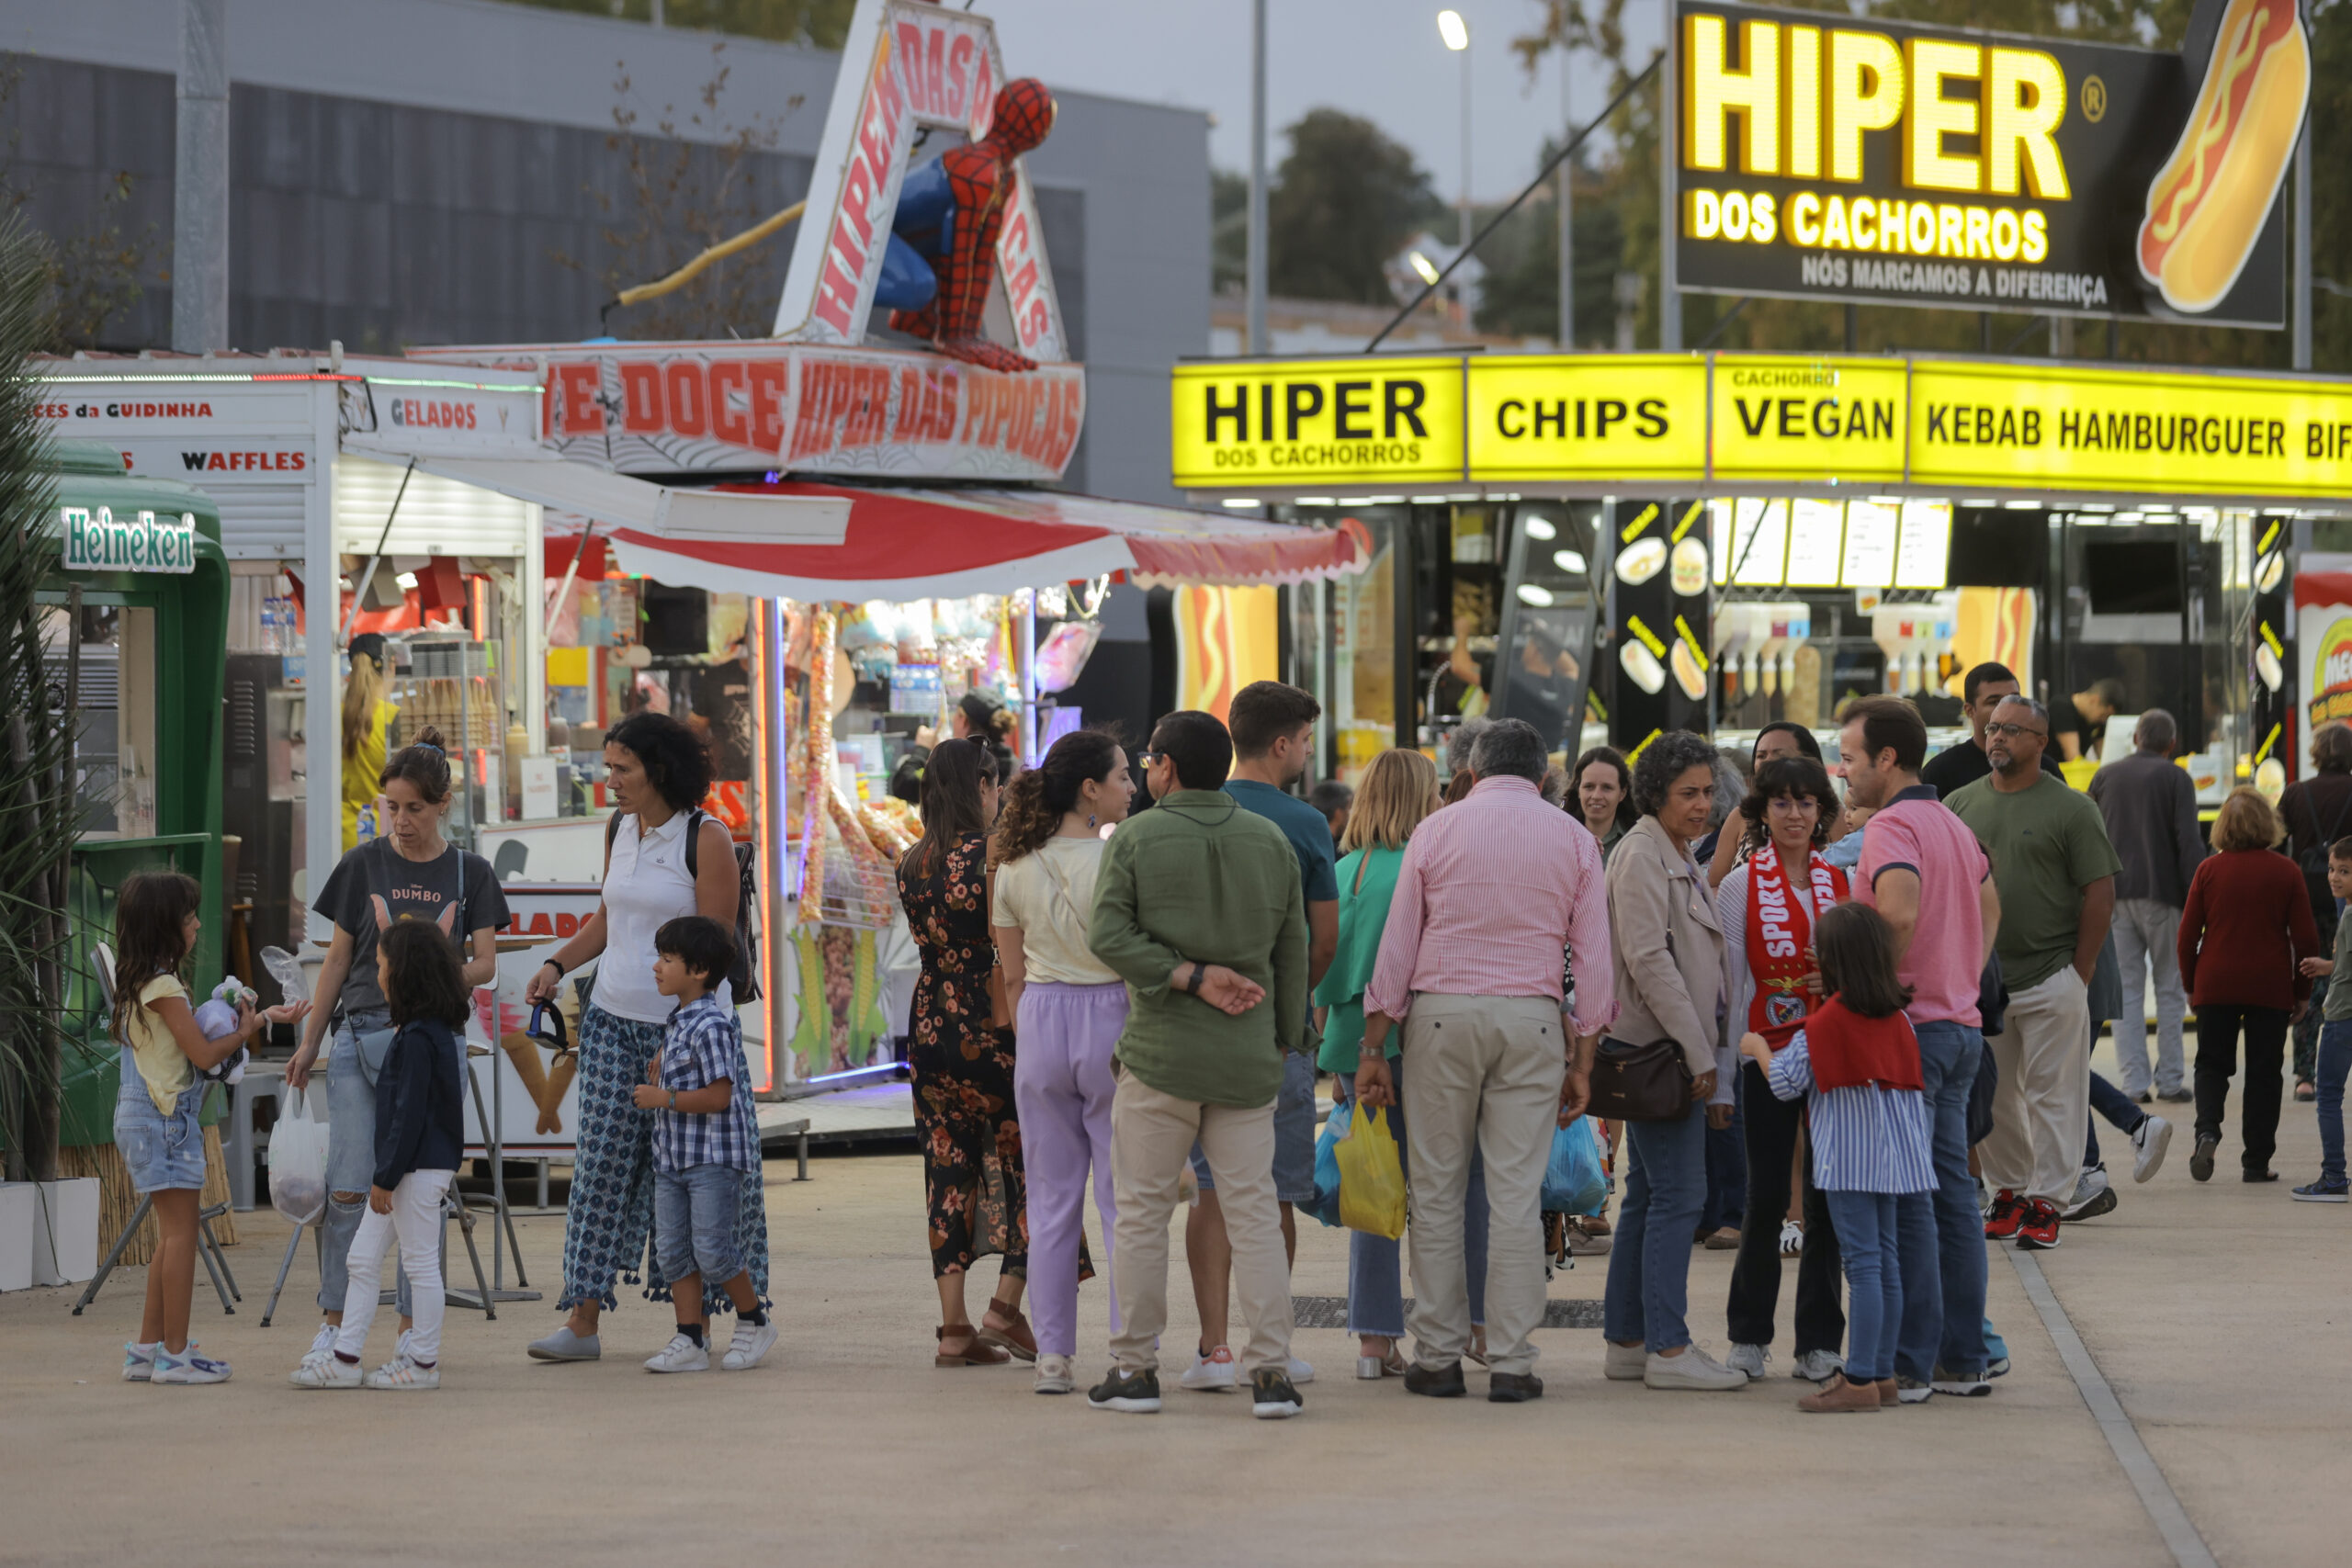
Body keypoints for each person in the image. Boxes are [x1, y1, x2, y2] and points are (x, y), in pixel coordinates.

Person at [1357, 719, 1613, 1404]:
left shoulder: (1436, 830)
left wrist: (1375, 1045)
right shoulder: (1574, 838)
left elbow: (1398, 946)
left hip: (1440, 1015)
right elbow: (1593, 960)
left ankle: (1437, 1355)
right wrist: (1584, 1055)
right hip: (1531, 1021)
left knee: (1435, 1191)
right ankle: (1511, 1358)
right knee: (1515, 1192)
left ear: (1471, 770)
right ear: (1544, 775)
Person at [524, 711, 769, 1363]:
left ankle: (718, 1322)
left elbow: (711, 949)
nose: (611, 781)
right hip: (609, 1020)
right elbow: (608, 918)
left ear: (658, 769)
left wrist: (681, 1036)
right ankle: (582, 1320)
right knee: (599, 1171)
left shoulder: (705, 836)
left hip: (685, 1036)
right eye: (607, 768)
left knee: (696, 1175)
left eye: (622, 768)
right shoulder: (618, 830)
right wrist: (556, 964)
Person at [1085, 710, 1307, 1419]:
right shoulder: (1269, 838)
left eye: (1150, 759)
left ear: (1166, 768)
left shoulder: (1137, 837)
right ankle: (1271, 1372)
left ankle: (1135, 1367)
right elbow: (1293, 947)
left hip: (1160, 1056)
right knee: (1253, 1213)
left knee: (1142, 1213)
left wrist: (1184, 974)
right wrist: (1281, 1032)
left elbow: (1109, 934)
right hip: (1246, 1059)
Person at [284, 727, 507, 1367]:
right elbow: (336, 962)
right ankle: (334, 1325)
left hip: (432, 1041)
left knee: (418, 1196)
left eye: (414, 807)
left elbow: (486, 962)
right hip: (359, 1037)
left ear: (442, 805)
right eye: (392, 807)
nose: (401, 821)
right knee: (350, 1185)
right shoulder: (361, 864)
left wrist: (430, 980)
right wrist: (309, 1039)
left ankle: (412, 1333)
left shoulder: (471, 871)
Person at [1839, 694, 2002, 1398]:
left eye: (1849, 758)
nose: (1842, 771)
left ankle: (1912, 1360)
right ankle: (1963, 1356)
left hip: (1913, 1032)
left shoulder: (1893, 827)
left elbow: (1897, 909)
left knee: (1911, 1199)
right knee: (1956, 1198)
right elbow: (1992, 906)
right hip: (1958, 1026)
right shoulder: (1952, 823)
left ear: (1887, 758)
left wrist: (1870, 990)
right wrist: (1960, 972)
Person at [1312, 749, 1487, 1380]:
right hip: (1420, 1043)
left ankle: (1373, 1338)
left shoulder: (1346, 867)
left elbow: (1325, 969)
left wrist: (1339, 1048)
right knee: (1460, 1184)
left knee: (1375, 1189)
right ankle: (1473, 1321)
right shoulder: (1424, 868)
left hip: (1352, 1046)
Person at [1181, 681, 1336, 1393]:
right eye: (1304, 740)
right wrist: (1296, 1006)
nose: (1306, 752)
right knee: (1270, 1192)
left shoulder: (1183, 811)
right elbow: (1323, 938)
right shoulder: (1304, 823)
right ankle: (1268, 1345)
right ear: (1281, 744)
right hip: (1276, 1032)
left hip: (1193, 1025)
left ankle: (1211, 1349)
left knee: (1211, 1191)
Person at [1739, 902, 1938, 1414]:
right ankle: (1884, 1371)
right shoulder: (1899, 1020)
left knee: (1864, 1266)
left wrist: (1758, 1047)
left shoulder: (1825, 1024)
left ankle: (1863, 1378)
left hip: (1849, 1162)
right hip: (1897, 1160)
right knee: (1887, 1263)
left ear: (1832, 962)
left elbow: (1784, 1083)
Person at [112, 872, 306, 1385]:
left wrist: (261, 1019)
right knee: (181, 1236)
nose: (197, 924)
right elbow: (202, 1055)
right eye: (189, 916)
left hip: (142, 1119)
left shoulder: (136, 983)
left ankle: (147, 1350)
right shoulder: (165, 986)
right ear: (166, 927)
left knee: (169, 1236)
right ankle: (176, 1356)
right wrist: (244, 1032)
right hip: (165, 1122)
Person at [989, 729, 1136, 1394]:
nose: (1130, 787)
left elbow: (1011, 977)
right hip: (1112, 1017)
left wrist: (1031, 1041)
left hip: (1042, 1019)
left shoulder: (1015, 868)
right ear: (1090, 789)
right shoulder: (1122, 859)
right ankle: (1133, 1347)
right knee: (1122, 1198)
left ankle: (1053, 1354)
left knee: (1050, 1201)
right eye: (1122, 776)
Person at [1601, 730, 1745, 1393]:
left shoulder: (1673, 852)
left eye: (1709, 791)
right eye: (1688, 792)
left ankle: (1630, 1339)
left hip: (1669, 1046)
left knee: (1652, 1195)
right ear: (1655, 794)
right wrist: (1699, 1053)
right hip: (1660, 1051)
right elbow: (1649, 960)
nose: (1702, 804)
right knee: (1679, 1196)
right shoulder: (1640, 856)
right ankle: (1667, 1347)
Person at [1949, 695, 2119, 1253]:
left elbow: (2099, 891)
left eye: (2012, 731)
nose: (1997, 737)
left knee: (2054, 1096)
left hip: (2053, 977)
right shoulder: (1960, 804)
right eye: (1992, 727)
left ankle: (2049, 1203)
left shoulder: (2071, 808)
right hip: (1984, 983)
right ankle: (2012, 1194)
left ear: (2041, 743)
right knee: (1992, 1099)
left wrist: (2081, 971)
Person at [890, 737, 1033, 1366]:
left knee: (946, 1169)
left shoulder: (912, 859)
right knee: (1032, 1161)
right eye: (994, 783)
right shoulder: (995, 853)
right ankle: (1005, 1304)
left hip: (930, 1025)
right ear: (979, 785)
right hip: (993, 1025)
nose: (999, 793)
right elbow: (1011, 942)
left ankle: (953, 1329)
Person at [290, 920, 468, 1391]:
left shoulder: (417, 1040)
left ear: (404, 974)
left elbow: (407, 1118)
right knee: (362, 1259)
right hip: (404, 1170)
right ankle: (347, 1358)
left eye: (383, 965)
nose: (378, 973)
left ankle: (422, 1363)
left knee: (419, 1263)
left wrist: (385, 1177)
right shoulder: (424, 1033)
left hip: (412, 1171)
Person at [1718, 756, 1849, 1384]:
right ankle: (1748, 1336)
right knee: (1766, 1194)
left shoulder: (1840, 880)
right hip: (1764, 1054)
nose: (1794, 814)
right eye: (1781, 802)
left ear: (1821, 810)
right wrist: (1724, 1070)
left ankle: (1820, 1341)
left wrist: (1839, 977)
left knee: (1827, 1197)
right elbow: (1728, 984)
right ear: (1763, 812)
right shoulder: (1740, 885)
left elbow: (1866, 975)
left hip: (1829, 1054)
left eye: (1805, 802)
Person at [632, 916, 775, 1374]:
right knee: (672, 1252)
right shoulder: (679, 1022)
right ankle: (690, 1338)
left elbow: (720, 1096)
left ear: (698, 971)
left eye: (667, 959)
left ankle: (755, 1321)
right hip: (673, 1159)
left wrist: (664, 1098)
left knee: (714, 1251)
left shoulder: (711, 1024)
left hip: (710, 1160)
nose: (657, 967)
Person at [2176, 788, 2319, 1185]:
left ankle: (2207, 1131)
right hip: (2269, 985)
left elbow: (2187, 937)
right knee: (2264, 1073)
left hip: (2216, 982)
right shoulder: (2286, 871)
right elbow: (2306, 940)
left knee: (2210, 1064)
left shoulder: (2209, 870)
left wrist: (2191, 985)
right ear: (2268, 824)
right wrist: (2301, 992)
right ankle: (2256, 1162)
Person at [2087, 709, 2204, 1103]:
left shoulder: (2105, 776)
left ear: (2136, 738)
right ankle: (2170, 1080)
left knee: (2128, 992)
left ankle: (2134, 1084)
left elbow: (2090, 835)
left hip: (2114, 896)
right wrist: (2200, 899)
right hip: (2163, 895)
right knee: (2170, 989)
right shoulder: (2177, 778)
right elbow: (2189, 843)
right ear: (2171, 744)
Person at [2279, 724, 2352, 1101]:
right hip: (2347, 901)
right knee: (2345, 975)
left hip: (2305, 897)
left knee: (2308, 974)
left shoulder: (2295, 793)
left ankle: (2305, 1076)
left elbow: (2274, 841)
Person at [2291, 836, 2352, 1201]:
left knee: (2328, 1096)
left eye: (2344, 872)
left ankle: (2333, 1177)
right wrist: (2329, 966)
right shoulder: (2346, 911)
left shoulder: (2350, 915)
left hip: (2342, 1017)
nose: (2334, 877)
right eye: (2331, 869)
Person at [1703, 722, 1824, 887]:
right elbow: (1714, 887)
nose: (1767, 762)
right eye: (1761, 756)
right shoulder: (1741, 815)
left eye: (1778, 754)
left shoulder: (1831, 814)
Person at [1919, 661, 2059, 797]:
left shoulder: (2043, 766)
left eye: (2014, 699)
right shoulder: (1941, 772)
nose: (2007, 708)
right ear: (1970, 711)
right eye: (1994, 702)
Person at [338, 632, 399, 852]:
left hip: (342, 838)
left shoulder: (336, 717)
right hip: (386, 838)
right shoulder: (394, 718)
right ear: (391, 666)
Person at [1571, 746, 1635, 862]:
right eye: (1589, 787)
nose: (1596, 796)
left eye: (1607, 788)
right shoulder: (1559, 837)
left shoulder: (1636, 843)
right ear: (1578, 789)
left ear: (1622, 793)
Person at [2050, 676, 2125, 763]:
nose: (2104, 720)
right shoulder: (2061, 708)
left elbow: (2104, 756)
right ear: (2094, 700)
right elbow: (2073, 757)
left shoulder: (2096, 720)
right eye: (2104, 715)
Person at [1309, 779, 1353, 848]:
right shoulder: (1337, 850)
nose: (1352, 814)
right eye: (1350, 808)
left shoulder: (1310, 841)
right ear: (1338, 814)